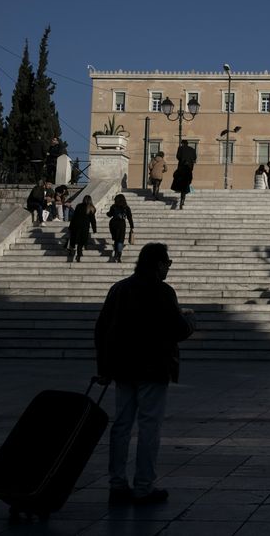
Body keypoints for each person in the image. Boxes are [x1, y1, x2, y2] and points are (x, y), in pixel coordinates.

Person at [95, 243, 196, 505]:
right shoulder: (162, 292)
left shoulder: (119, 289)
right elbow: (178, 330)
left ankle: (117, 484)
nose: (168, 268)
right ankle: (143, 486)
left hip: (123, 368)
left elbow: (102, 329)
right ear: (159, 264)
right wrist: (190, 321)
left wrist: (104, 368)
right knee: (149, 427)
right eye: (167, 263)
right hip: (153, 367)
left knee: (121, 426)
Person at [67, 194, 97, 262]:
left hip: (76, 225)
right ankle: (79, 254)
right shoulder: (91, 208)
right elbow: (93, 220)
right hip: (85, 227)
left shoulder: (79, 206)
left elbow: (74, 217)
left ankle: (71, 250)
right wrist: (94, 229)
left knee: (73, 239)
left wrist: (70, 226)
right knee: (81, 242)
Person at [107, 194, 135, 263]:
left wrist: (107, 213)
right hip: (121, 224)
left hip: (113, 224)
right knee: (120, 240)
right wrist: (132, 226)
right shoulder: (126, 207)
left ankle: (116, 254)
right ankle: (118, 255)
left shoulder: (113, 207)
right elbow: (129, 217)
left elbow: (110, 215)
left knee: (116, 240)